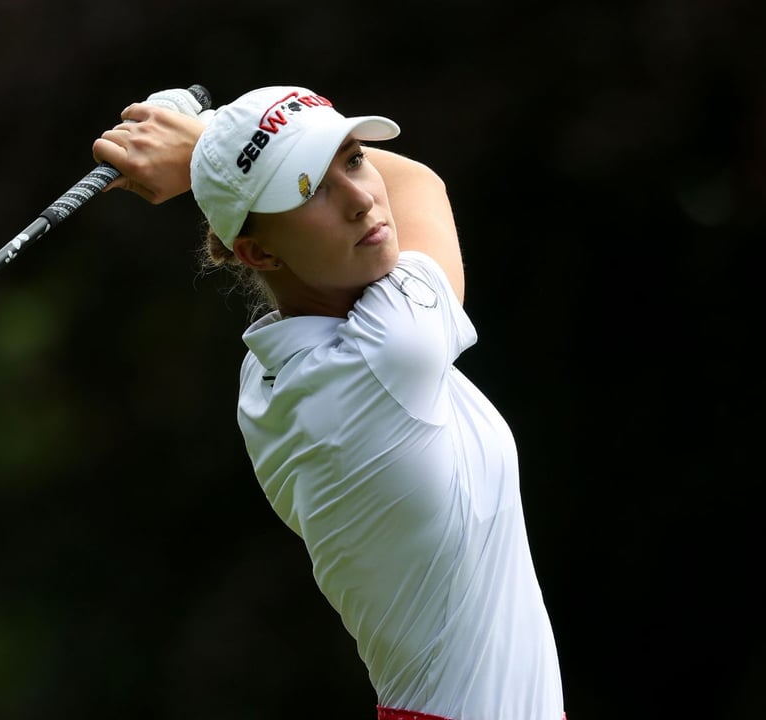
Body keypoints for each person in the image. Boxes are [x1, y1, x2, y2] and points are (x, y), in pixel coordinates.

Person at [93, 85, 565, 720]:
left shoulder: (265, 377)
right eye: (310, 188)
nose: (363, 197)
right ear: (257, 252)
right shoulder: (388, 354)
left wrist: (224, 151)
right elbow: (420, 185)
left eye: (352, 158)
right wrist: (204, 141)